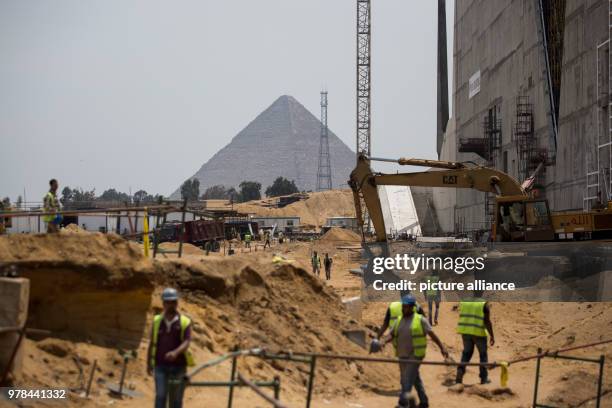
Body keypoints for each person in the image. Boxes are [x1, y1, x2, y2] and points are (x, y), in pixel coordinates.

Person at [380, 295, 449, 408]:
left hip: (416, 354)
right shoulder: (399, 320)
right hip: (402, 353)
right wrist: (383, 341)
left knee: (406, 379)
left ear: (412, 307)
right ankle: (424, 402)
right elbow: (391, 335)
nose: (403, 309)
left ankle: (402, 404)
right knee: (415, 378)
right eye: (403, 306)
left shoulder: (420, 320)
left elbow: (432, 335)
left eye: (406, 307)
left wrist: (442, 347)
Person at [147, 288, 194, 408]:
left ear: (177, 303)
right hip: (160, 365)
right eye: (168, 302)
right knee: (160, 397)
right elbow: (152, 343)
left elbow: (187, 341)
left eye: (173, 302)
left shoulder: (185, 321)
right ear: (163, 303)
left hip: (179, 366)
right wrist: (148, 363)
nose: (171, 305)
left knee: (176, 400)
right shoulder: (157, 321)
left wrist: (175, 352)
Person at [455, 295, 495, 385]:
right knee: (483, 355)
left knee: (466, 353)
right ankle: (484, 378)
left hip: (465, 332)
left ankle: (460, 373)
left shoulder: (464, 301)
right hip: (479, 333)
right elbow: (487, 321)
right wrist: (492, 335)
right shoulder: (483, 303)